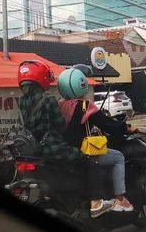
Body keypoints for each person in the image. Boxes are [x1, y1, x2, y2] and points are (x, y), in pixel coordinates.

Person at [17, 60, 114, 218]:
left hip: (34, 150)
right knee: (90, 160)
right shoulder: (49, 100)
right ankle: (97, 202)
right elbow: (59, 123)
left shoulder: (21, 101)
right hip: (53, 147)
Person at [57, 66, 134, 213]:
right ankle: (120, 199)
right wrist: (126, 128)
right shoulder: (86, 107)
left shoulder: (60, 105)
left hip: (65, 151)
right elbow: (108, 125)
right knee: (118, 157)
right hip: (83, 151)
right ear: (81, 84)